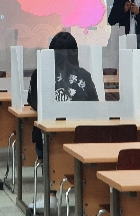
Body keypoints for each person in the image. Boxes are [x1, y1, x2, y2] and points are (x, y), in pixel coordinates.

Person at [26, 32, 98, 212]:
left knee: (44, 137)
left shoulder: (40, 74)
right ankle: (93, 198)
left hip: (51, 140)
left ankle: (50, 196)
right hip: (83, 140)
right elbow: (94, 105)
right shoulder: (85, 75)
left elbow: (34, 103)